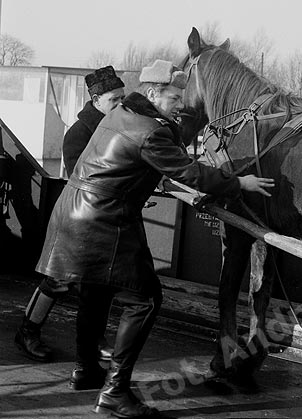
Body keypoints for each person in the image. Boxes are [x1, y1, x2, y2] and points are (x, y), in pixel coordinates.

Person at [35, 59, 274, 418]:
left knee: (96, 292)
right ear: (152, 93)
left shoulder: (121, 114)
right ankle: (115, 393)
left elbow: (143, 164)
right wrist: (239, 183)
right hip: (104, 221)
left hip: (76, 212)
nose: (182, 103)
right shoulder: (150, 129)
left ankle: (86, 371)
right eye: (175, 96)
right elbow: (187, 169)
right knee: (145, 300)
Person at [15, 66, 126, 379]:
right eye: (114, 99)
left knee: (100, 284)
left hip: (103, 219)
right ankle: (27, 332)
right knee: (57, 281)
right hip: (77, 217)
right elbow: (86, 178)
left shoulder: (116, 126)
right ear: (96, 100)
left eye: (122, 97)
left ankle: (96, 340)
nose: (120, 103)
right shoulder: (79, 134)